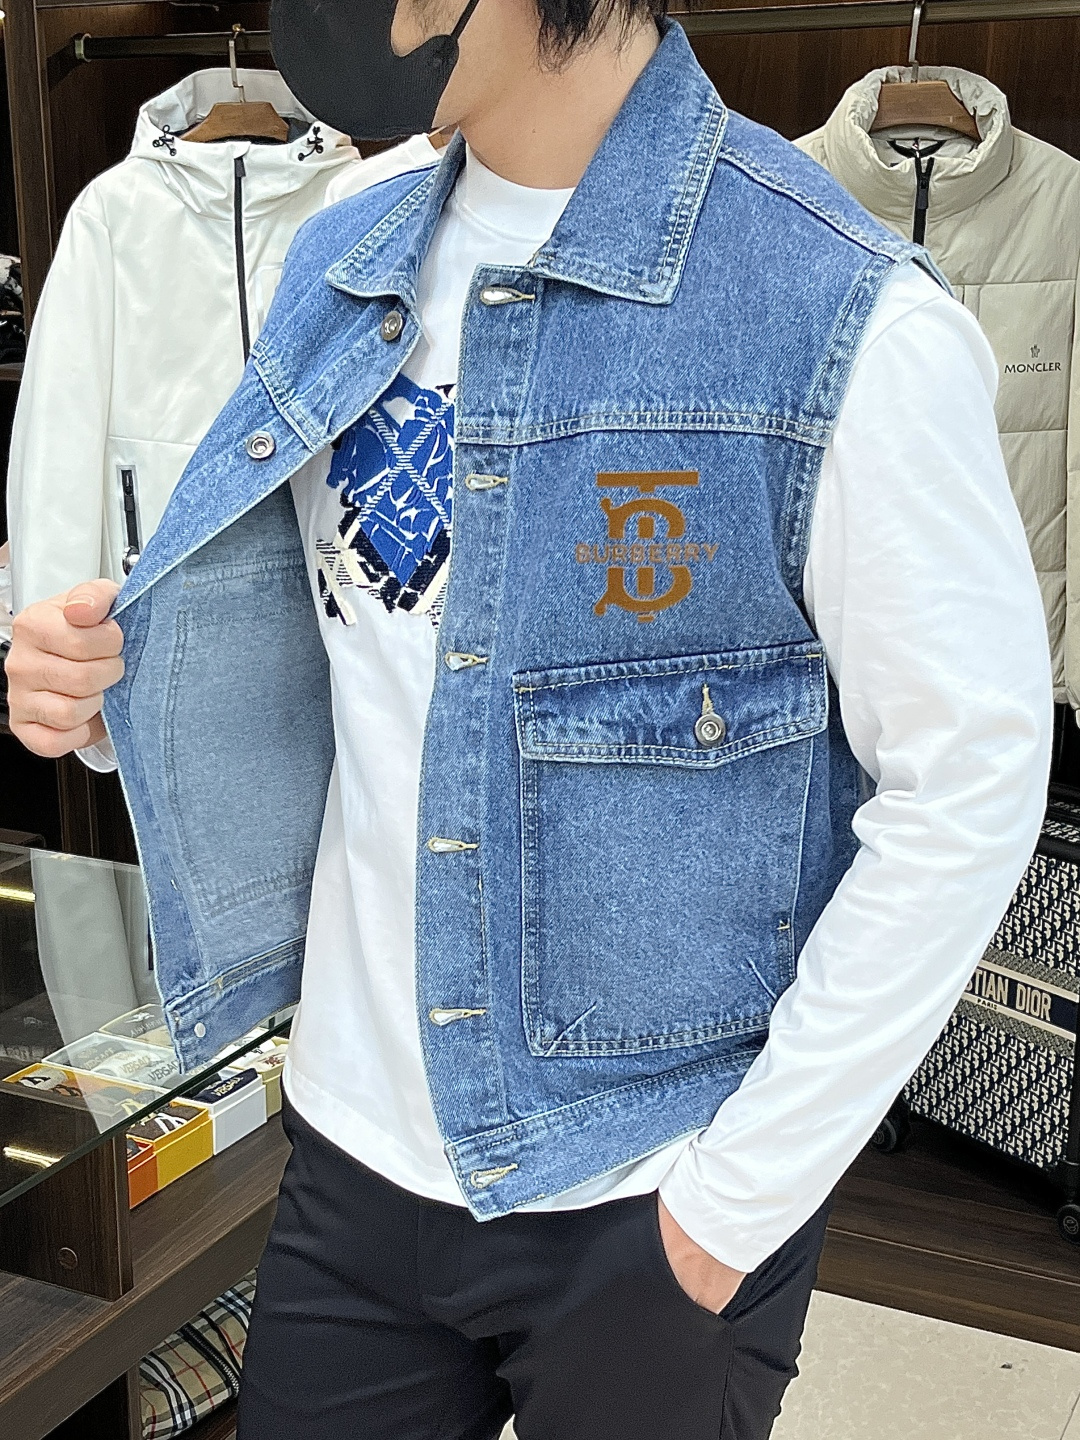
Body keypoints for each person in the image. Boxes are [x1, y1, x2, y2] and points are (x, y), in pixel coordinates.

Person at [5, 0, 1051, 1433]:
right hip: (353, 1145)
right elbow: (336, 652)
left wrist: (733, 1204)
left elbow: (968, 780)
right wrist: (105, 691)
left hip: (648, 1183)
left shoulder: (842, 313)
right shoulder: (344, 252)